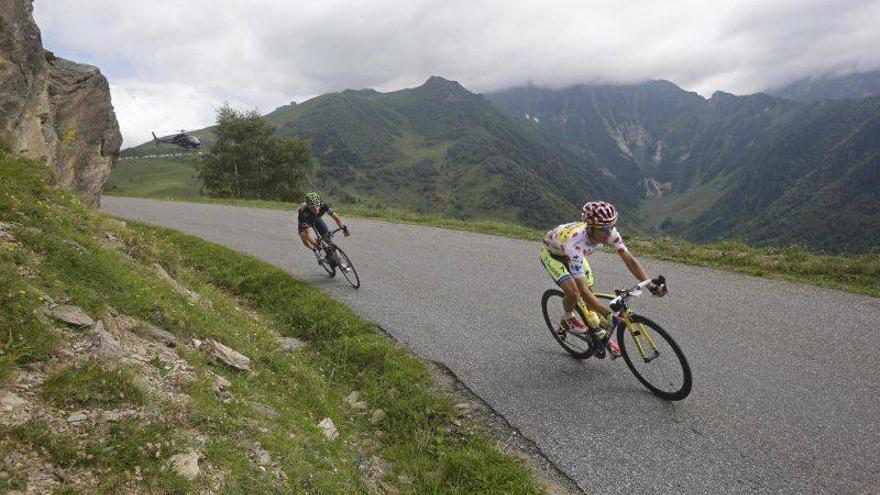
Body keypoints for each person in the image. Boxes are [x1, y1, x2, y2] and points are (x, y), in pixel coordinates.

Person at [539, 201, 666, 358]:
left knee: (590, 297)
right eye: (605, 229)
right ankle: (568, 318)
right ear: (591, 228)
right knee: (574, 293)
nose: (609, 232)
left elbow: (629, 260)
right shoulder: (575, 245)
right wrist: (607, 314)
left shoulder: (609, 233)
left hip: (573, 254)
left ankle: (597, 331)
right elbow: (583, 292)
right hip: (553, 255)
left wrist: (650, 285)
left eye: (612, 226)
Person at [297, 192, 349, 262]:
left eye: (317, 205)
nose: (315, 209)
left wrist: (343, 228)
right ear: (308, 206)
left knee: (327, 238)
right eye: (312, 207)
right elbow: (307, 234)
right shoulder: (304, 214)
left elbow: (336, 217)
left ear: (319, 203)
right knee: (303, 236)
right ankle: (314, 250)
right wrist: (316, 245)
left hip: (316, 218)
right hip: (306, 220)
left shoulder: (323, 205)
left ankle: (338, 260)